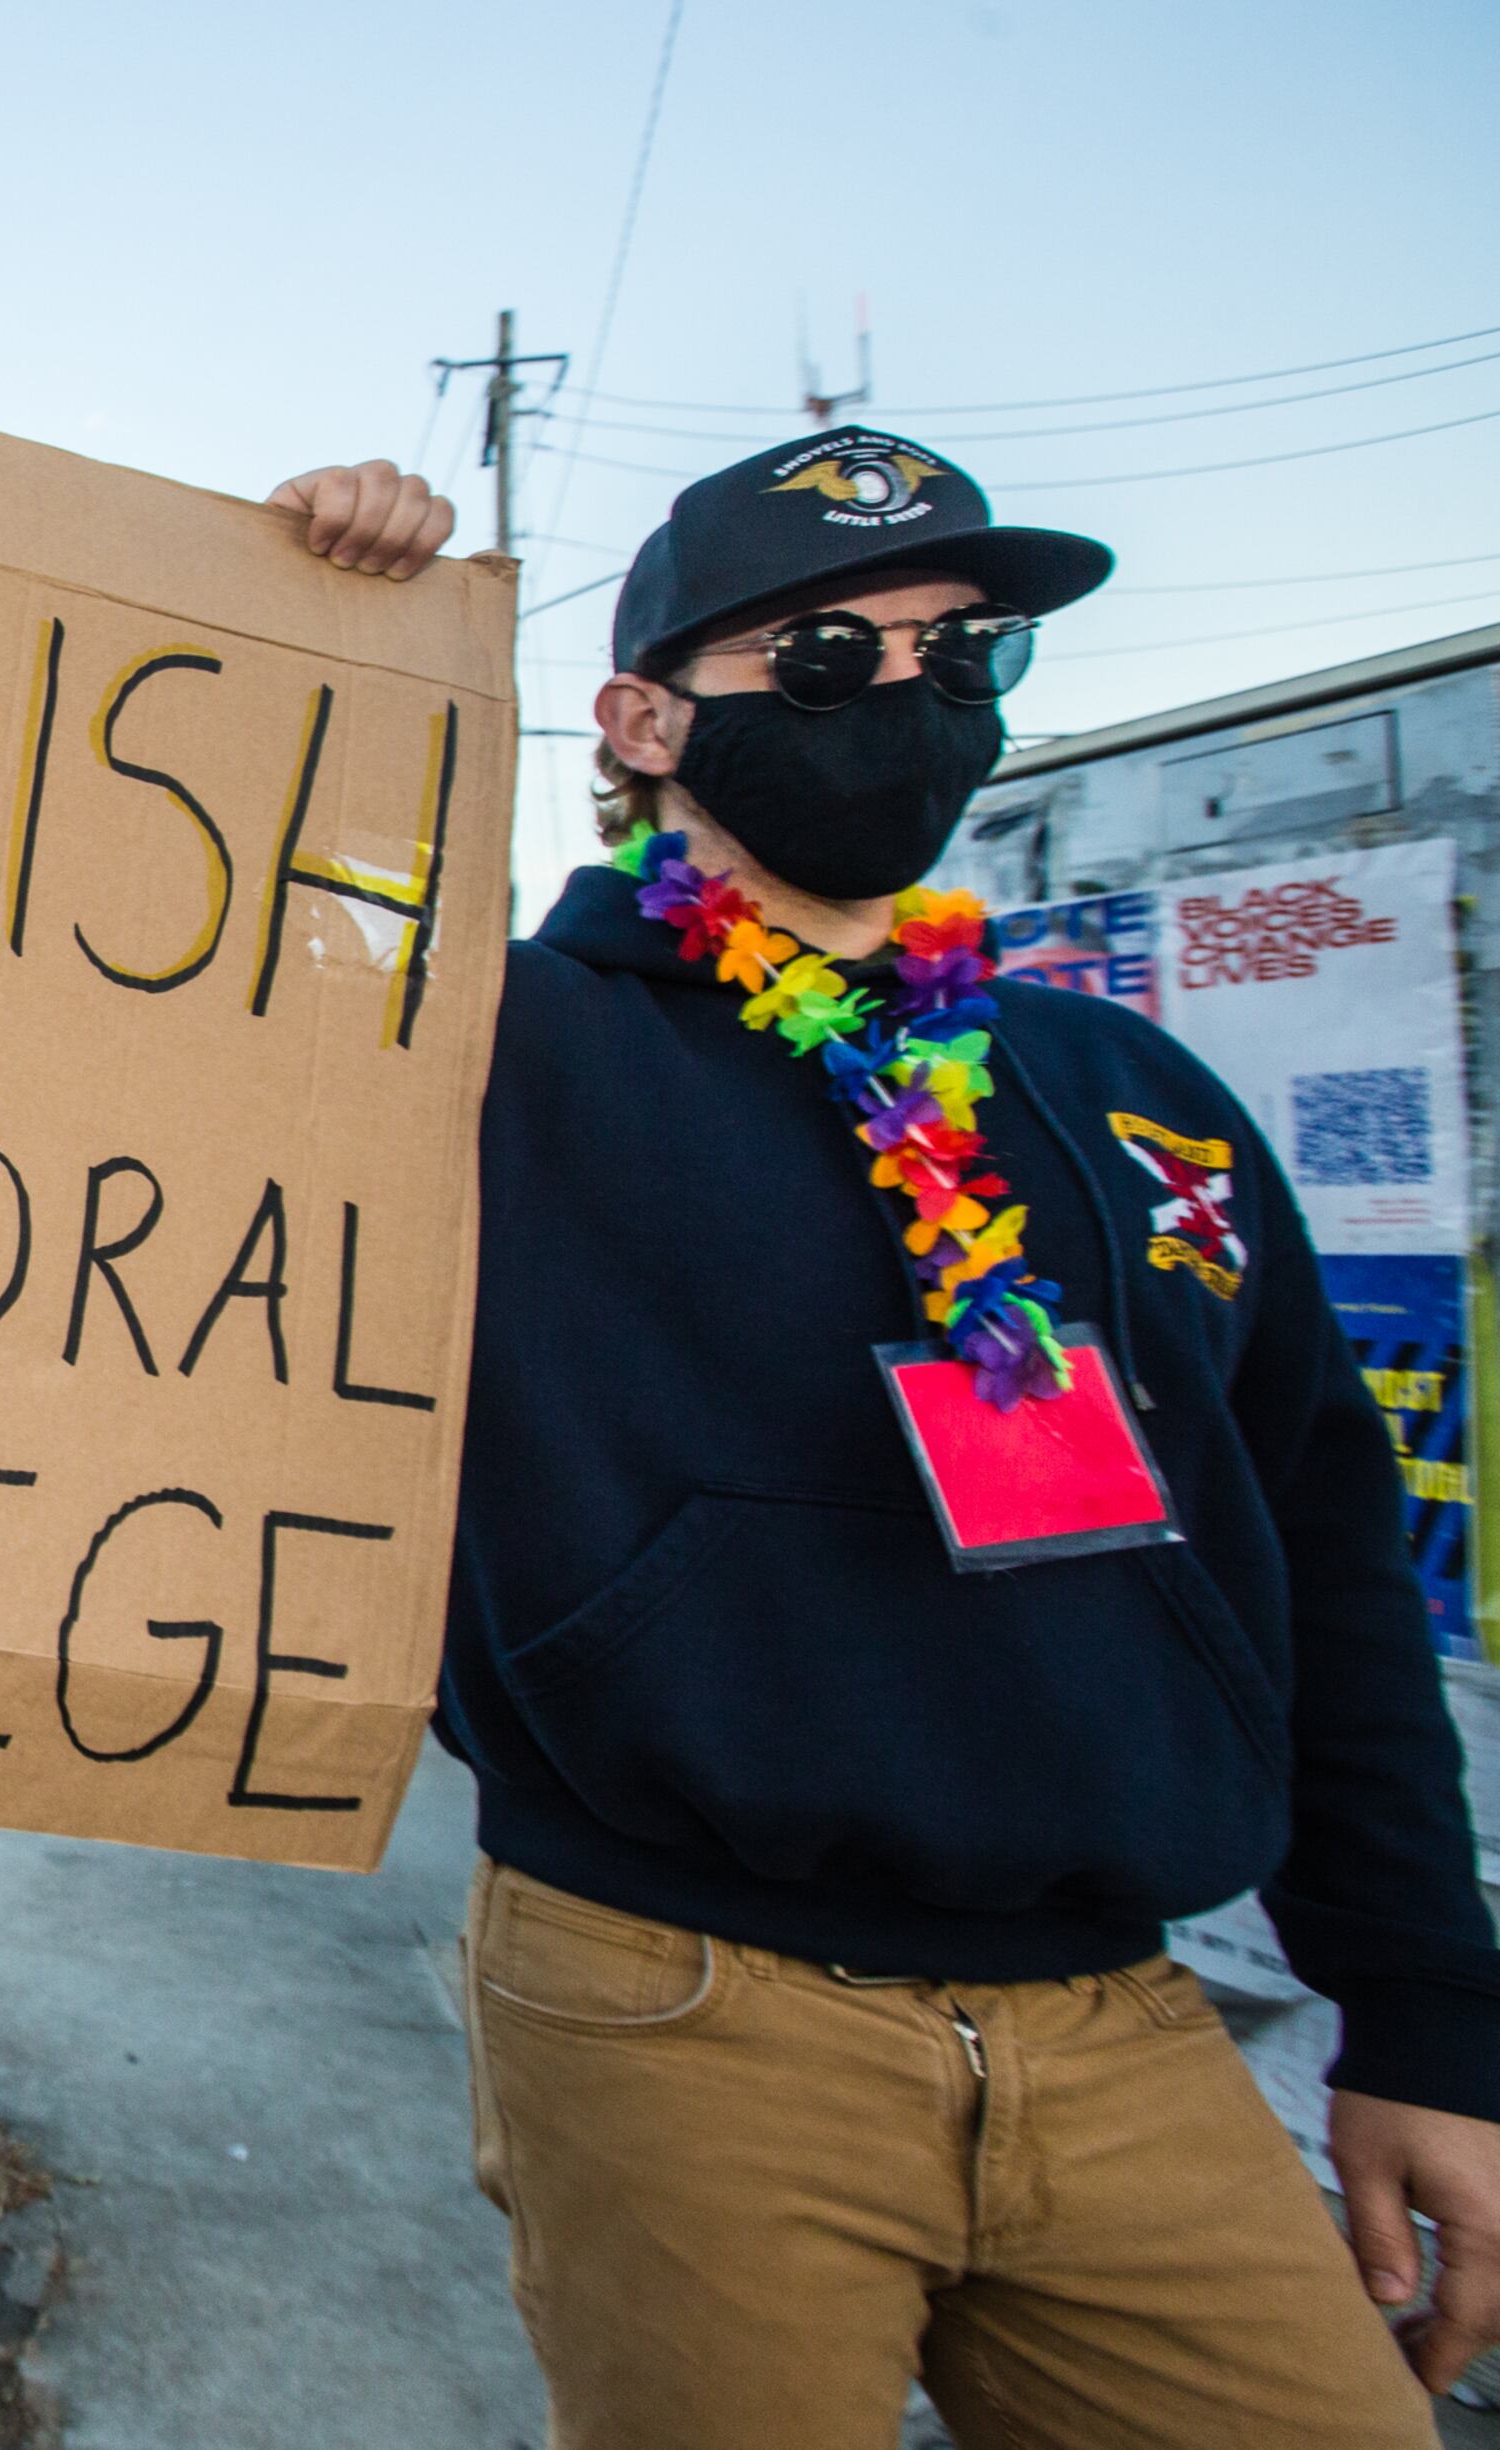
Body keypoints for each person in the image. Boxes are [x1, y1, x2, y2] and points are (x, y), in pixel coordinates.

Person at [286, 431, 1500, 2441]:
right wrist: (320, 625)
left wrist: (1431, 2015)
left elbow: (1327, 1558)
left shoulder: (1133, 1091)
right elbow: (162, 971)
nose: (917, 698)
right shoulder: (492, 1054)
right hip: (680, 2000)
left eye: (970, 657)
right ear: (646, 712)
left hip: (1126, 2025)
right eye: (836, 651)